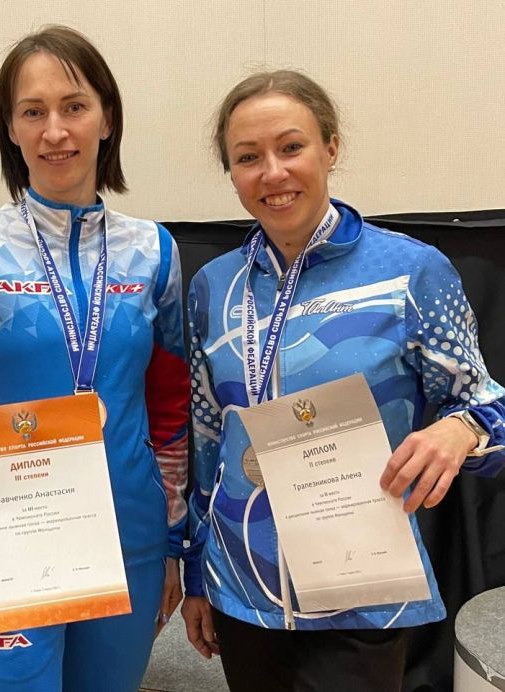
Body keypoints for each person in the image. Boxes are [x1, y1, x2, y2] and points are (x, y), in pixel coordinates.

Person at [181, 69, 505, 691]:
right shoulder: (212, 288)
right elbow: (207, 442)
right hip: (243, 582)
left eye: (291, 147)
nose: (272, 172)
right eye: (248, 157)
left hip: (362, 584)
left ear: (330, 147)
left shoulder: (411, 272)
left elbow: (489, 408)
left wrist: (462, 428)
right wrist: (198, 572)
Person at [0, 25, 189, 692]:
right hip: (8, 530)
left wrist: (172, 538)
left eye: (74, 106)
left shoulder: (154, 251)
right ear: (9, 128)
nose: (55, 130)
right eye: (33, 111)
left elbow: (170, 409)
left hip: (127, 532)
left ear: (107, 117)